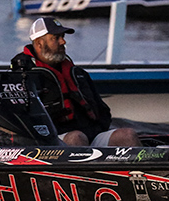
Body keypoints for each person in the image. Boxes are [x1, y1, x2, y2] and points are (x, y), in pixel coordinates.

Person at [11, 17, 141, 147]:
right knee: (76, 138)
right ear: (39, 43)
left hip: (90, 134)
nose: (63, 41)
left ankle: (138, 162)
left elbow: (102, 110)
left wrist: (98, 127)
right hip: (51, 140)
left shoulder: (78, 74)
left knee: (127, 135)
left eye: (62, 37)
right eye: (56, 38)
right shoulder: (23, 77)